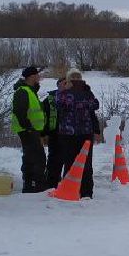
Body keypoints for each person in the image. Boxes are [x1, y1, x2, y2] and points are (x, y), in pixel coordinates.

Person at [55, 69, 101, 198]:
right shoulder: (87, 92)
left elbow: (58, 105)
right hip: (86, 133)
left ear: (68, 80)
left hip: (68, 133)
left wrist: (61, 91)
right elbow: (95, 105)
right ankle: (87, 192)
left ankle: (69, 190)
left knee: (69, 162)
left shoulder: (65, 93)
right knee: (86, 163)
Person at [11, 65, 47, 192]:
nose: (39, 77)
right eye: (37, 74)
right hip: (27, 130)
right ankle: (34, 184)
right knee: (37, 158)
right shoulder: (23, 91)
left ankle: (32, 184)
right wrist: (29, 127)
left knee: (32, 157)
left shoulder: (31, 90)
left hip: (31, 130)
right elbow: (19, 111)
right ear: (32, 76)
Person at [43, 76, 68, 190]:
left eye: (67, 83)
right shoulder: (50, 99)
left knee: (68, 159)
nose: (65, 85)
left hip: (69, 135)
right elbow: (43, 116)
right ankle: (51, 184)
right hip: (55, 134)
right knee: (54, 160)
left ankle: (67, 184)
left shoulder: (72, 97)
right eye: (63, 83)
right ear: (58, 85)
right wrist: (43, 134)